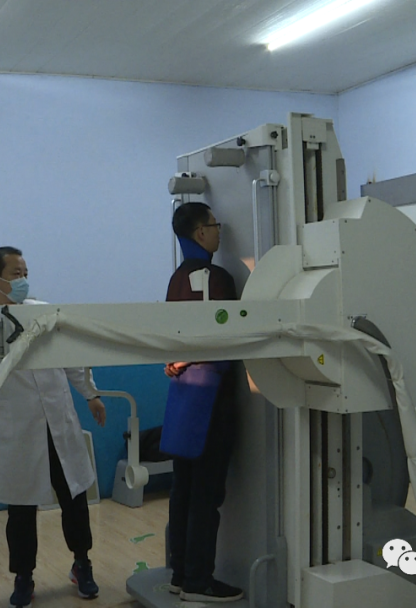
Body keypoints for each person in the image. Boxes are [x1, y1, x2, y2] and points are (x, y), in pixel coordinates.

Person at [0, 246, 107, 608]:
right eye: (16, 274)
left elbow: (71, 357)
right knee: (21, 508)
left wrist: (90, 394)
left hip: (57, 420)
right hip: (19, 428)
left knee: (74, 497)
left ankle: (82, 564)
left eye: (25, 273)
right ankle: (23, 577)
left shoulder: (43, 312)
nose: (23, 281)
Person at [161, 202, 244, 603]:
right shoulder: (219, 278)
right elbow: (227, 339)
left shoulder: (176, 279)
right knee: (206, 497)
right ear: (199, 233)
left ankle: (180, 573)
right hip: (211, 399)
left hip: (181, 400)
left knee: (183, 491)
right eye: (214, 225)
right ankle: (199, 581)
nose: (219, 231)